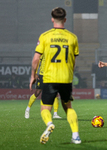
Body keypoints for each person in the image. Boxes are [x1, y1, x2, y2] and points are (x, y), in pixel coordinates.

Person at [29, 7, 81, 144]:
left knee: (45, 108)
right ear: (65, 20)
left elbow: (35, 59)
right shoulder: (72, 37)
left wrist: (33, 75)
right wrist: (69, 76)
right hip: (66, 78)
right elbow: (73, 61)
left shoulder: (45, 36)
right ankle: (75, 135)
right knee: (68, 107)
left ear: (52, 19)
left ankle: (49, 124)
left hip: (49, 78)